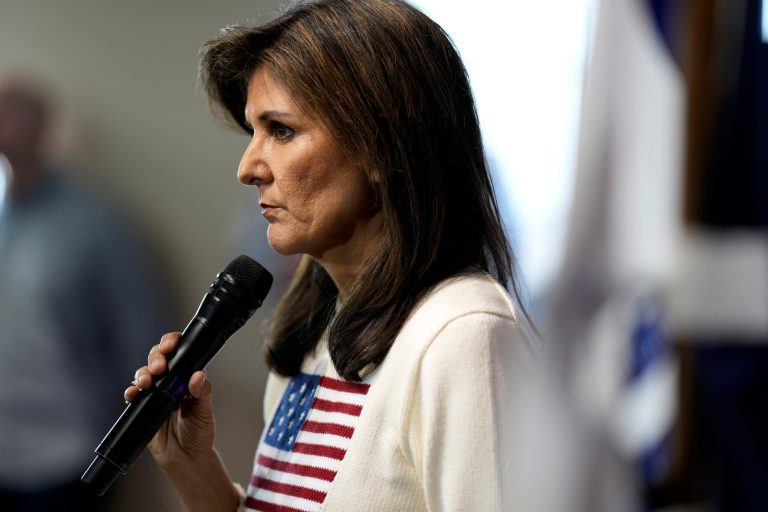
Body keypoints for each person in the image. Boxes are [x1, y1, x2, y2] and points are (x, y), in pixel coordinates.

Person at [125, 0, 538, 510]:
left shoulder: (464, 334)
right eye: (253, 132)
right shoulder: (314, 335)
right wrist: (193, 471)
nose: (248, 167)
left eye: (281, 130)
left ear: (382, 147)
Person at [0, 76, 171, 511]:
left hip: (65, 460)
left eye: (7, 112)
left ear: (39, 126)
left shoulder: (95, 225)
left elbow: (140, 343)